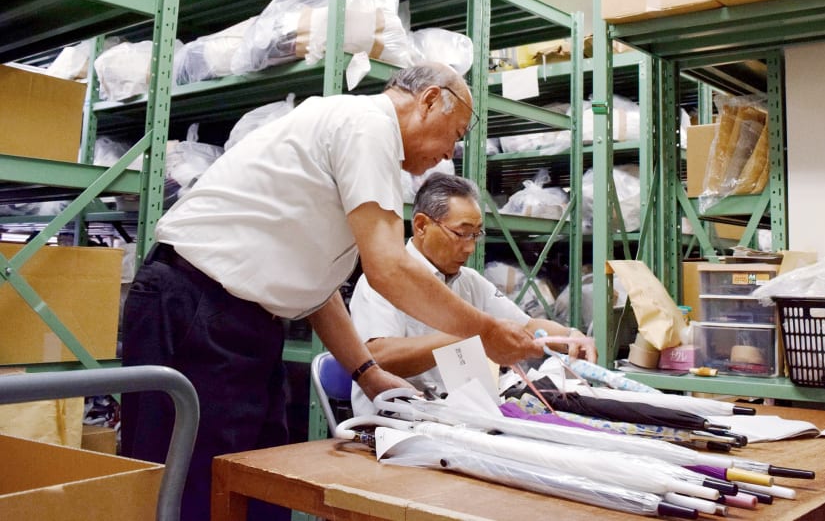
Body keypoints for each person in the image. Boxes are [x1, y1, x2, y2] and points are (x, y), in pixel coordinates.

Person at [120, 62, 543, 521]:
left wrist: (367, 373)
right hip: (191, 303)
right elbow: (388, 269)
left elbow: (317, 284)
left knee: (255, 482)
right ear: (427, 102)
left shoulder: (365, 145)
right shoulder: (366, 126)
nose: (449, 153)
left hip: (244, 320)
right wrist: (481, 332)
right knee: (188, 491)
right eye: (455, 133)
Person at [350, 172, 597, 417]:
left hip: (454, 418)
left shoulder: (469, 282)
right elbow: (377, 357)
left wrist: (570, 338)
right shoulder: (383, 281)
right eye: (461, 233)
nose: (470, 247)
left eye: (476, 234)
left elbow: (527, 325)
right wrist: (472, 333)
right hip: (394, 424)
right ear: (422, 225)